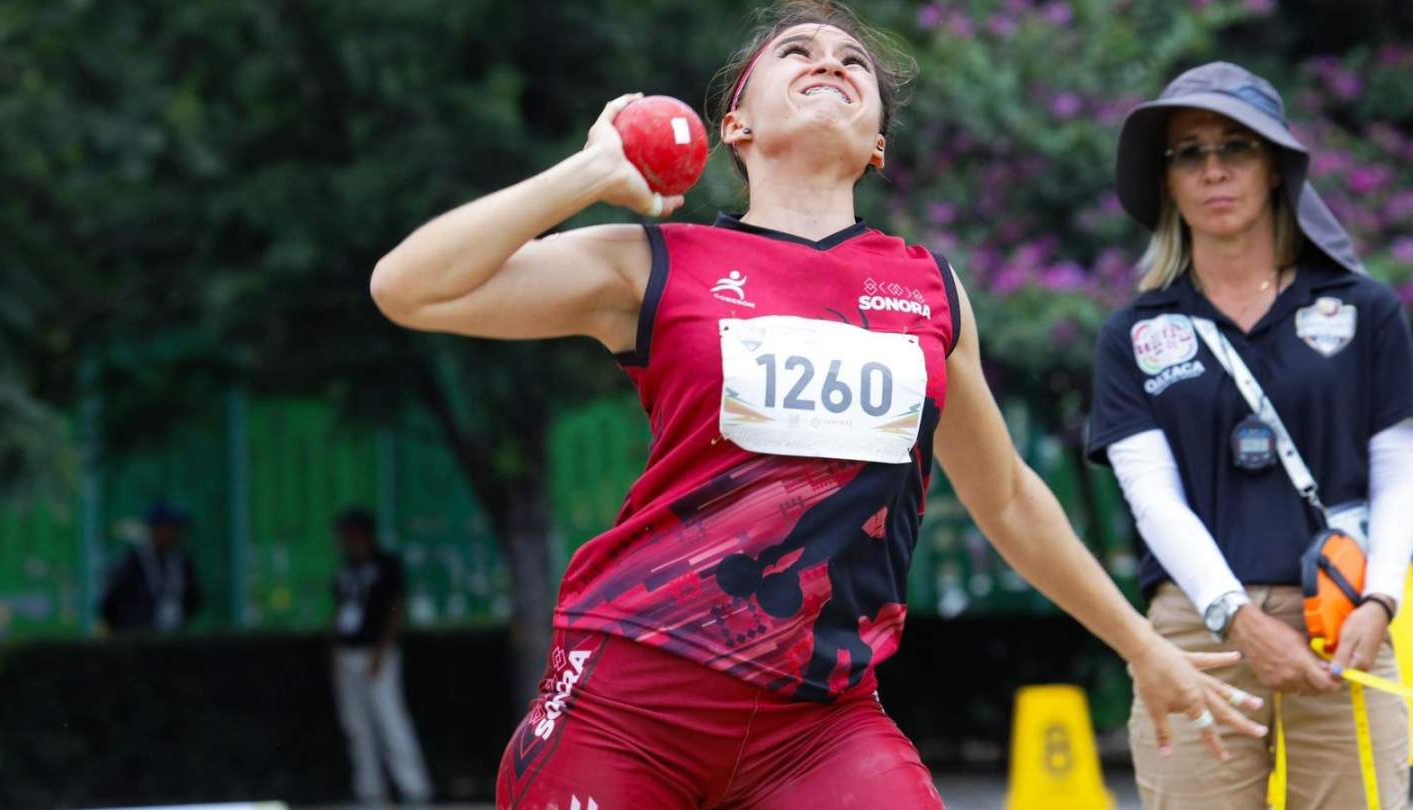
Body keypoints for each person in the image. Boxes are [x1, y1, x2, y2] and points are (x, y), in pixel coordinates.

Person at [371, 4, 1262, 807]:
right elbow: (409, 288)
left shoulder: (931, 291)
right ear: (736, 124)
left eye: (853, 62)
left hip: (822, 723)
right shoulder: (654, 263)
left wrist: (1143, 647)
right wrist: (587, 173)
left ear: (877, 142)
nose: (830, 60)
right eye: (795, 49)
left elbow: (1009, 498)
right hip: (631, 699)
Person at [1087, 61, 1413, 808]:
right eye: (1189, 152)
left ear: (1275, 168)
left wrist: (1382, 601)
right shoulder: (1133, 334)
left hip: (1344, 620)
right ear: (1168, 180)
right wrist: (1234, 614)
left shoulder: (1366, 310)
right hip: (1198, 632)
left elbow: (1399, 471)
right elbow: (1153, 501)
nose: (1214, 169)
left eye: (1236, 146)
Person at [330, 508, 433, 806]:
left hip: (377, 654)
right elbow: (340, 611)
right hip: (348, 652)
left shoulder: (387, 565)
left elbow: (395, 611)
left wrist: (381, 651)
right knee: (356, 723)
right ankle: (369, 790)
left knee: (390, 718)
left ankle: (414, 787)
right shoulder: (346, 567)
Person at [99, 503, 203, 633]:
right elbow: (111, 600)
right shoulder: (134, 562)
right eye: (169, 528)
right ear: (156, 529)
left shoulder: (181, 561)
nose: (175, 534)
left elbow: (193, 598)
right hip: (138, 637)